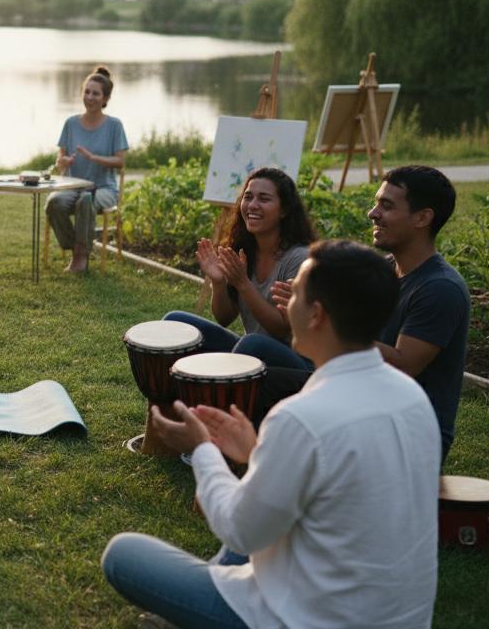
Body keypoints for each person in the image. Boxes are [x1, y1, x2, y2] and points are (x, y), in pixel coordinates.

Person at [102, 240, 441, 629]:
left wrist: (203, 450)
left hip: (305, 619)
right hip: (401, 618)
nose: (287, 304)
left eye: (294, 294)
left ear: (316, 315)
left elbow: (240, 532)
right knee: (259, 511)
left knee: (122, 554)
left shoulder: (301, 417)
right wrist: (255, 453)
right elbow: (342, 488)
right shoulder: (412, 398)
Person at [259, 165, 470, 462]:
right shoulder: (386, 269)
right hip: (363, 394)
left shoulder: (440, 288)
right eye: (376, 203)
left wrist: (328, 322)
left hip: (406, 429)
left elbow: (403, 365)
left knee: (265, 385)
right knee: (258, 365)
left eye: (387, 206)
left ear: (422, 218)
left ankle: (260, 466)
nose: (373, 213)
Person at [163, 167, 317, 372]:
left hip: (297, 363)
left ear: (284, 210)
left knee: (252, 343)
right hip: (251, 351)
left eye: (264, 199)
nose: (252, 205)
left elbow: (281, 330)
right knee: (175, 322)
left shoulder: (299, 258)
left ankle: (222, 386)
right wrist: (219, 283)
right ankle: (172, 392)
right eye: (248, 197)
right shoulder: (246, 250)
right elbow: (224, 318)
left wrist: (243, 284)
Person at [45, 66, 129, 273]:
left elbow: (120, 162)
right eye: (87, 92)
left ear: (105, 98)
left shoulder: (114, 126)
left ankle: (80, 257)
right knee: (54, 202)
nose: (90, 97)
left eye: (96, 94)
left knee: (86, 200)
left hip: (104, 189)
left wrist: (93, 158)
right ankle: (75, 246)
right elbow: (60, 159)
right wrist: (64, 161)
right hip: (71, 186)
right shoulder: (71, 123)